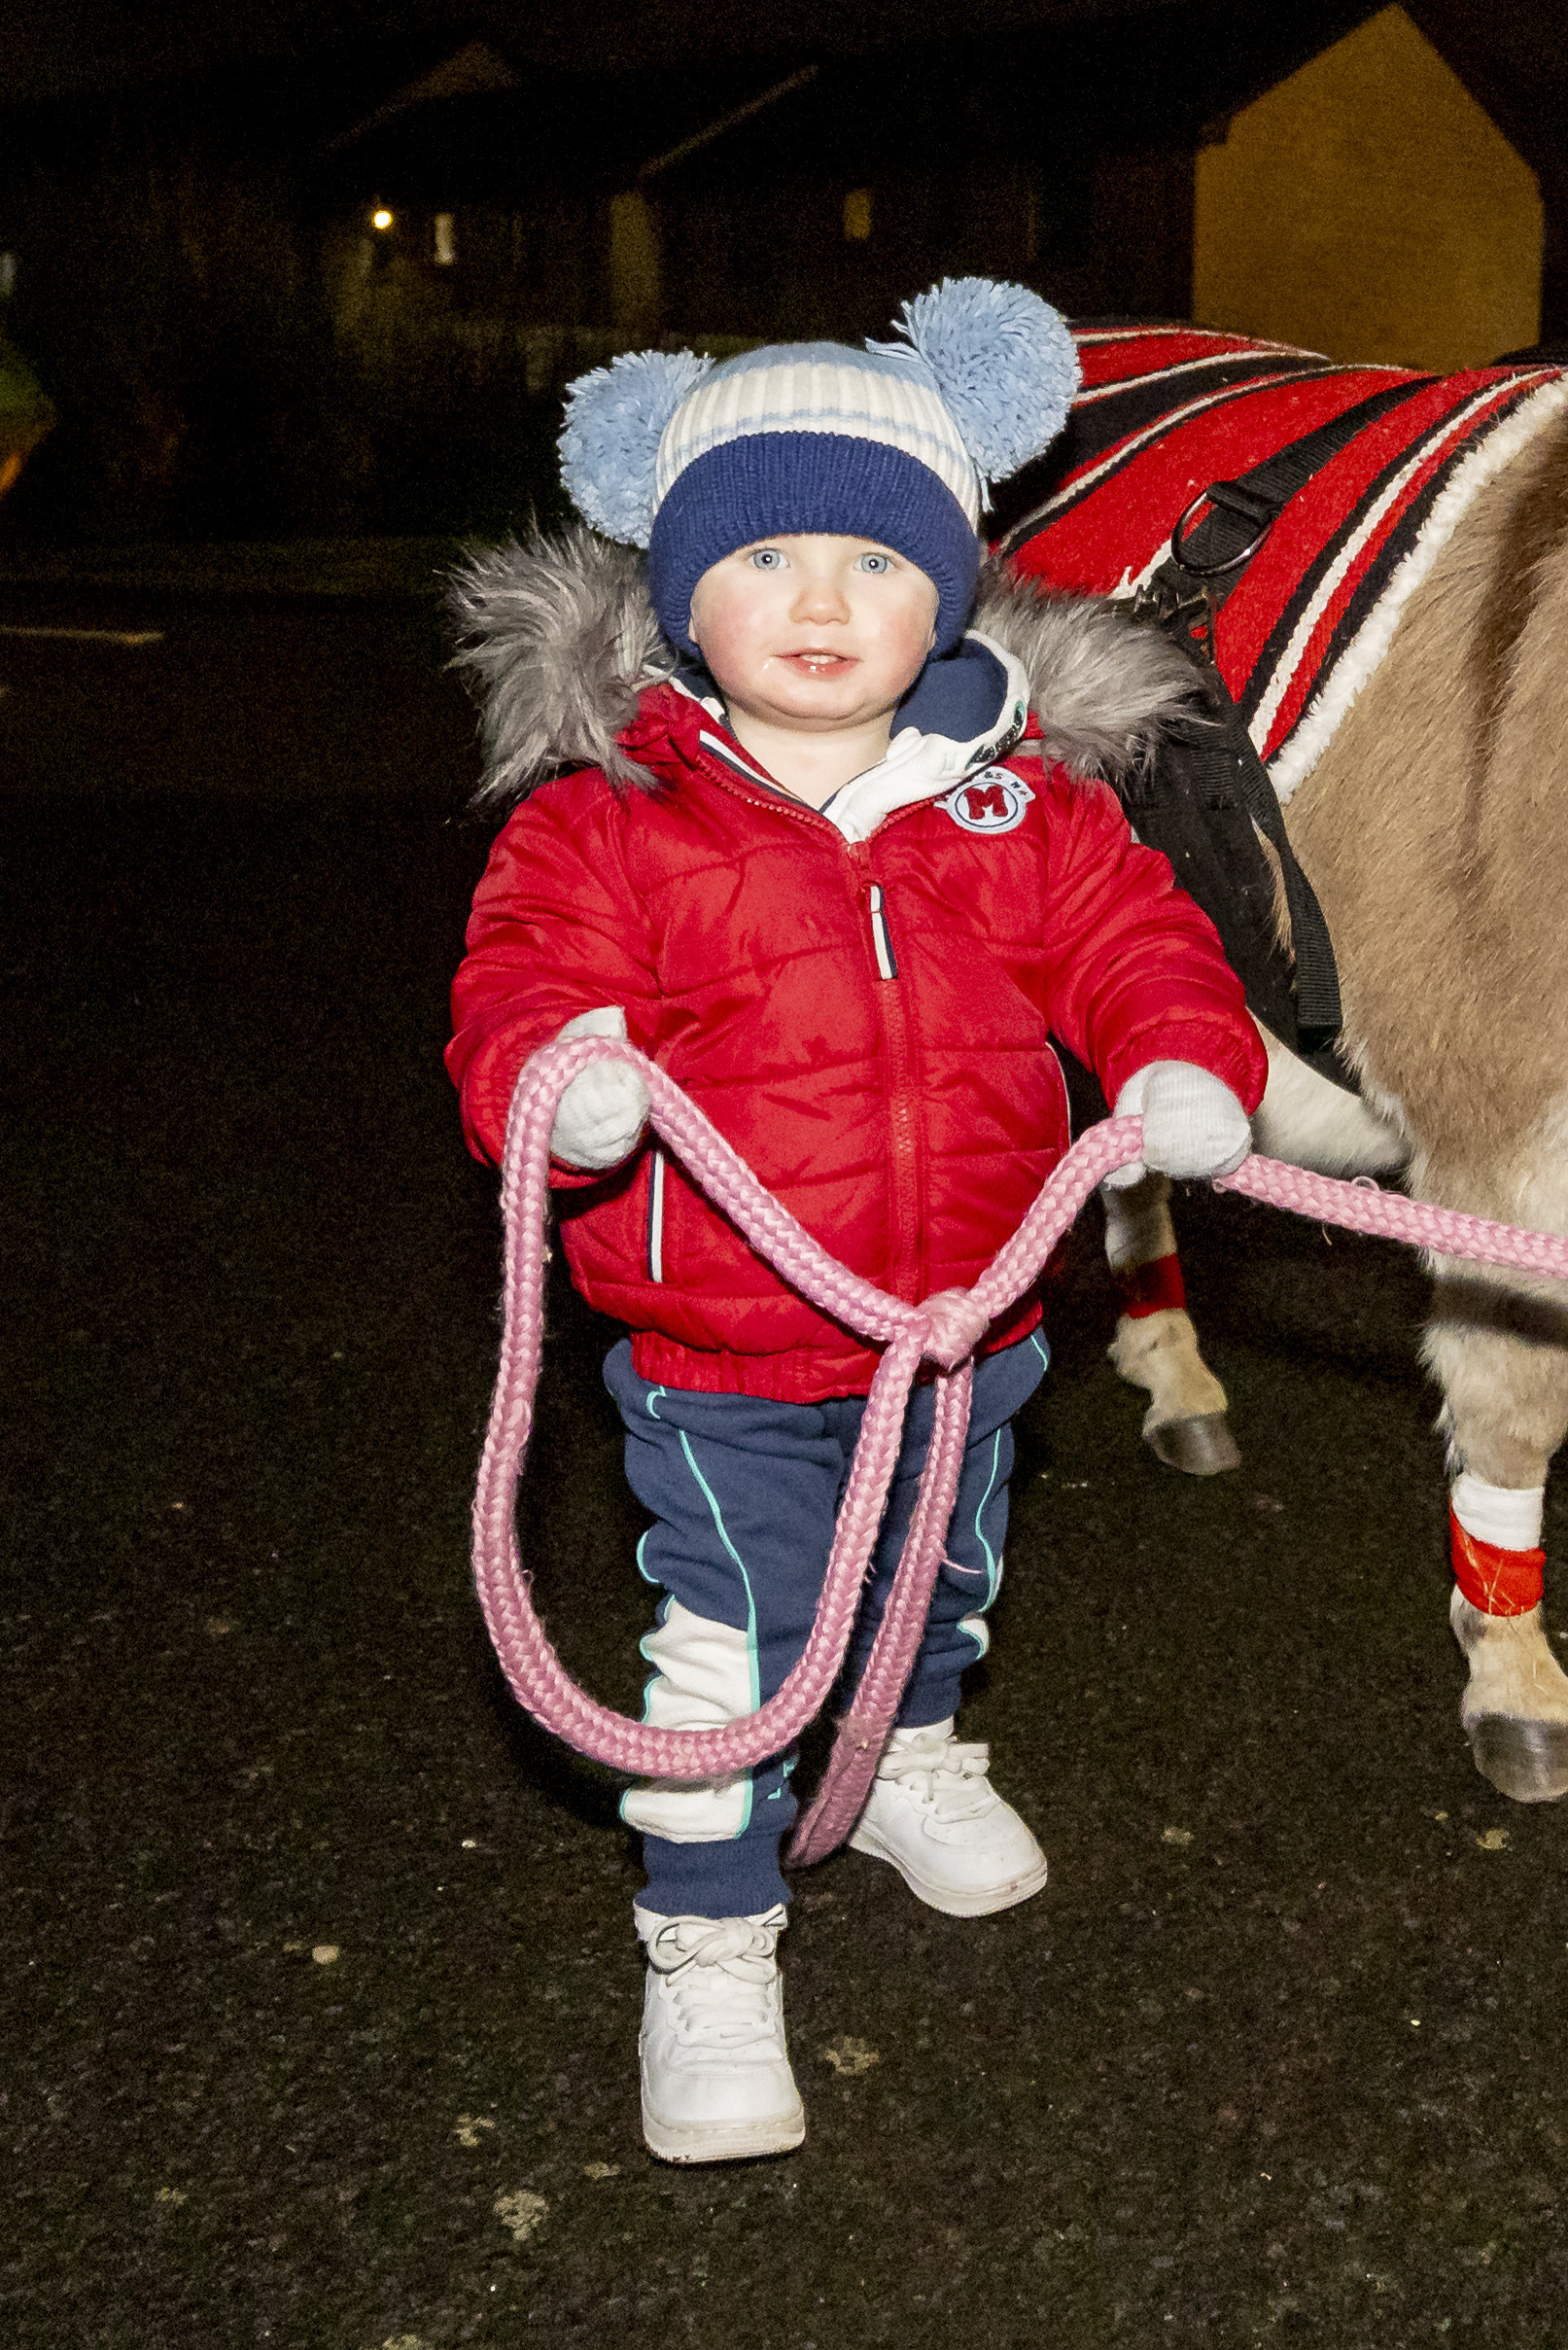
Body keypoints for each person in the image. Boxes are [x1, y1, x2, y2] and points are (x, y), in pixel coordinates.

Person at [446, 278, 1266, 2165]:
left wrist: (1182, 1055)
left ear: (949, 593)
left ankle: (904, 1752)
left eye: (876, 568)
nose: (823, 607)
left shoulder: (1017, 810)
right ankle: (710, 1937)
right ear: (682, 595)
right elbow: (518, 983)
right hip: (725, 1350)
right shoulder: (609, 827)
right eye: (771, 561)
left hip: (975, 1322)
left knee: (946, 1574)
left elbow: (1136, 937)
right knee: (732, 1646)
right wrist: (553, 1080)